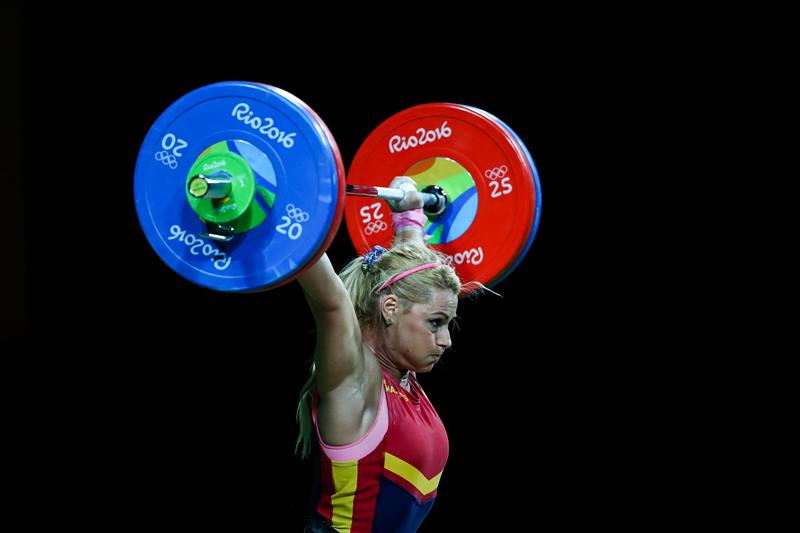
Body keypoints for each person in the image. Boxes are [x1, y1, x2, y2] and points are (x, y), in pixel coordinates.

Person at [295, 176, 465, 532]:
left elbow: (409, 278)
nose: (446, 340)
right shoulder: (357, 381)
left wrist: (409, 220)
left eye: (449, 323)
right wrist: (293, 217)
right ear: (390, 309)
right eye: (436, 323)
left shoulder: (403, 372)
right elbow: (331, 304)